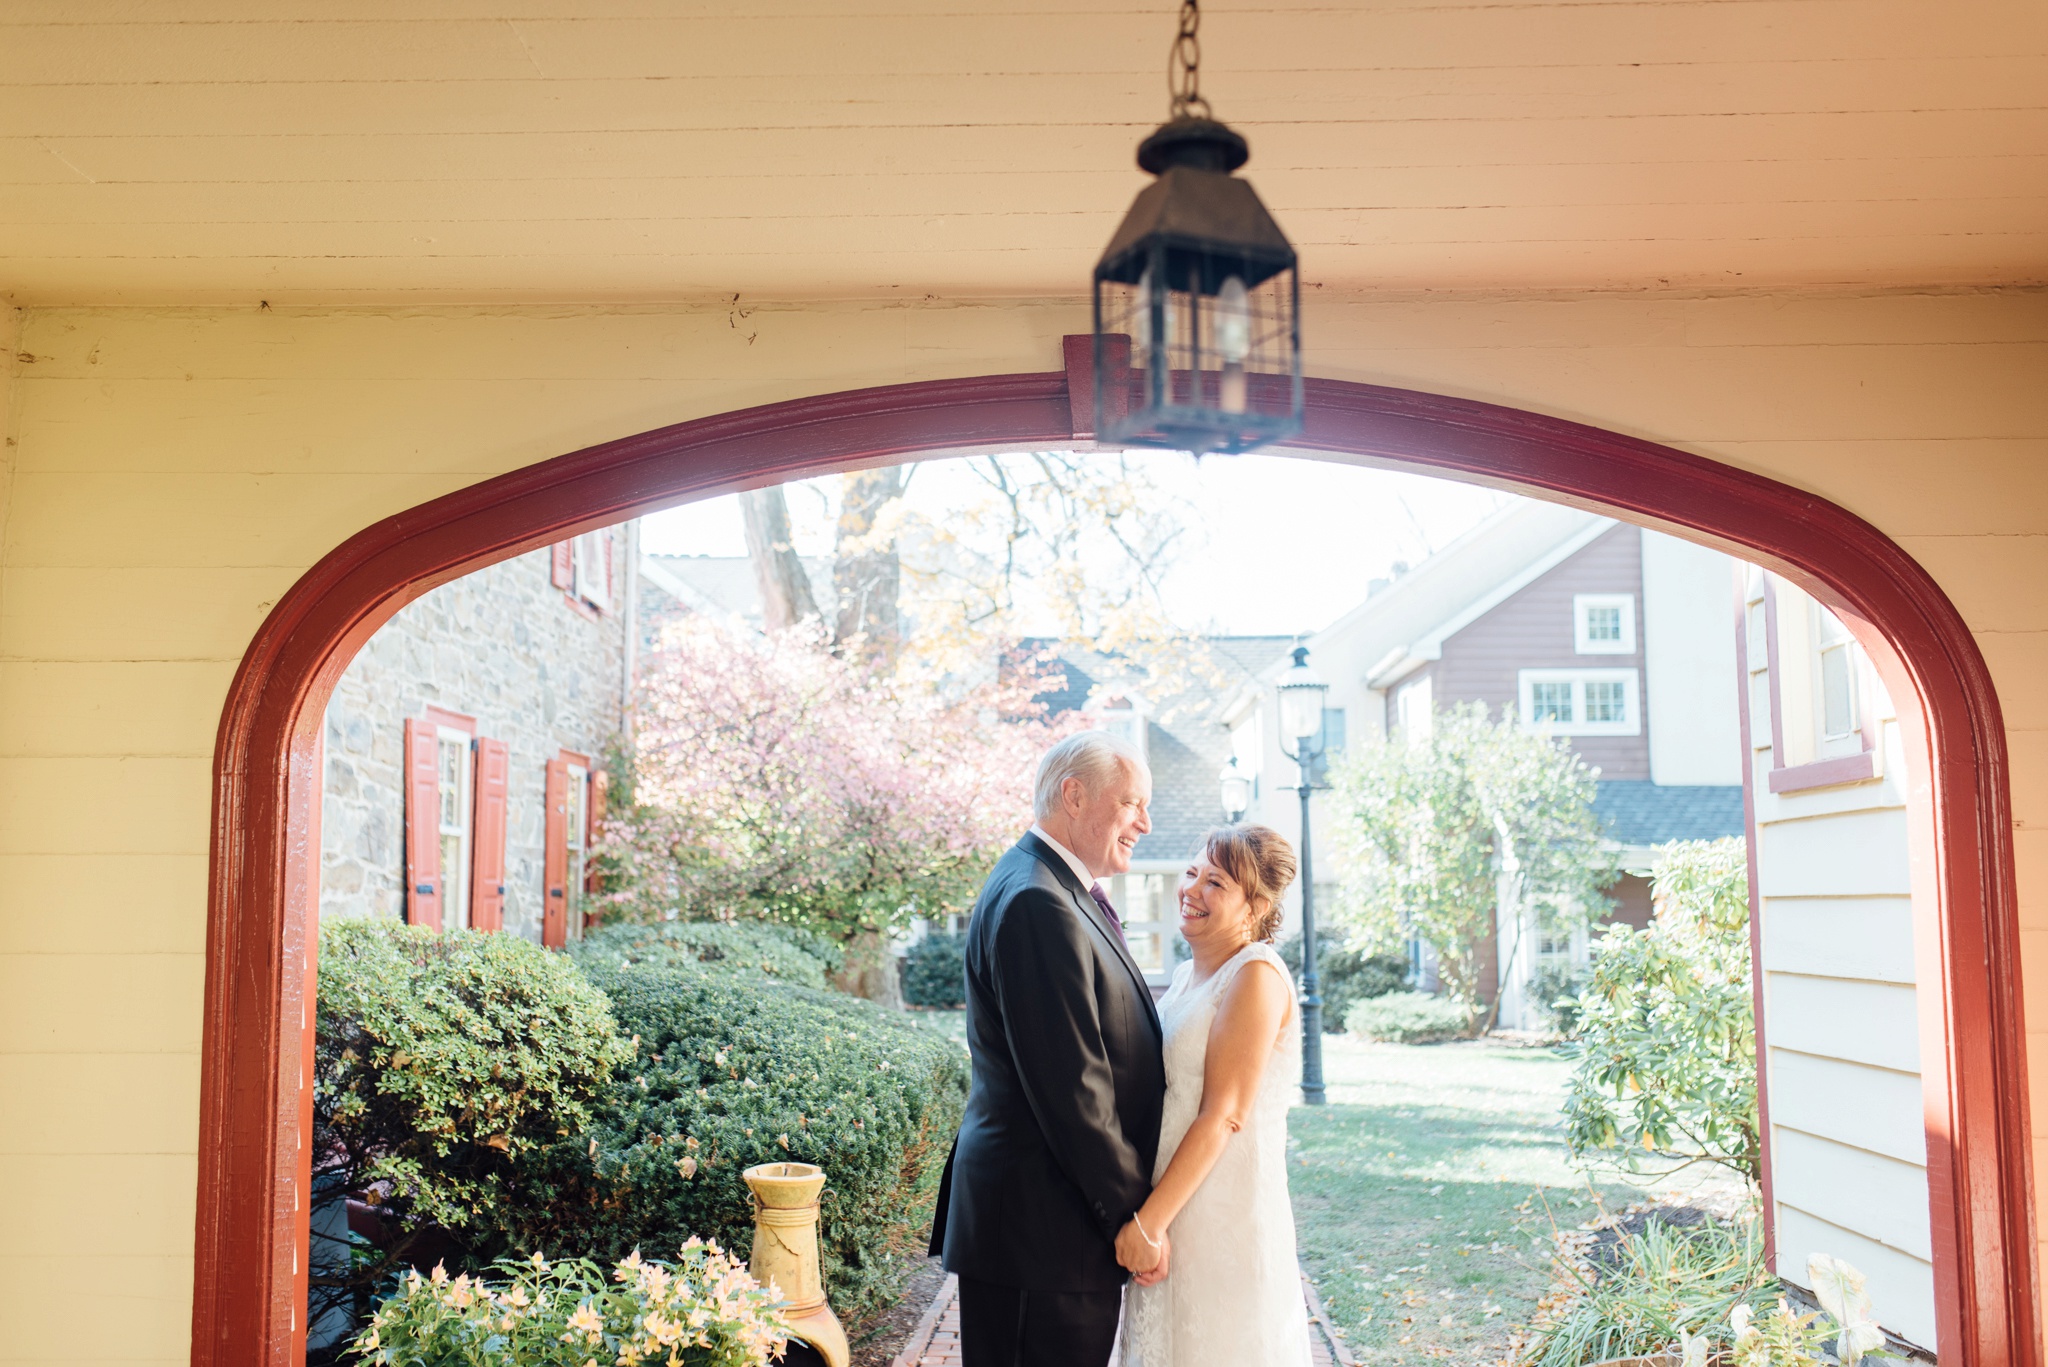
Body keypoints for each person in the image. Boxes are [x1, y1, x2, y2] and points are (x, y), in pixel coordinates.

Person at [929, 730, 1168, 1367]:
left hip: (1049, 1227)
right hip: (1043, 1229)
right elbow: (1073, 1090)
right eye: (1132, 803)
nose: (1144, 822)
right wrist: (1134, 1218)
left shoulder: (1052, 887)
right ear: (1074, 795)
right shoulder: (1038, 900)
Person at [1119, 823, 1313, 1367]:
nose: (1192, 889)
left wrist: (1147, 1224)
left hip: (1221, 1212)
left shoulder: (1255, 976)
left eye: (1217, 883)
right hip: (1173, 1201)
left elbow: (1225, 1114)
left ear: (1254, 907)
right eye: (1191, 873)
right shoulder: (1185, 976)